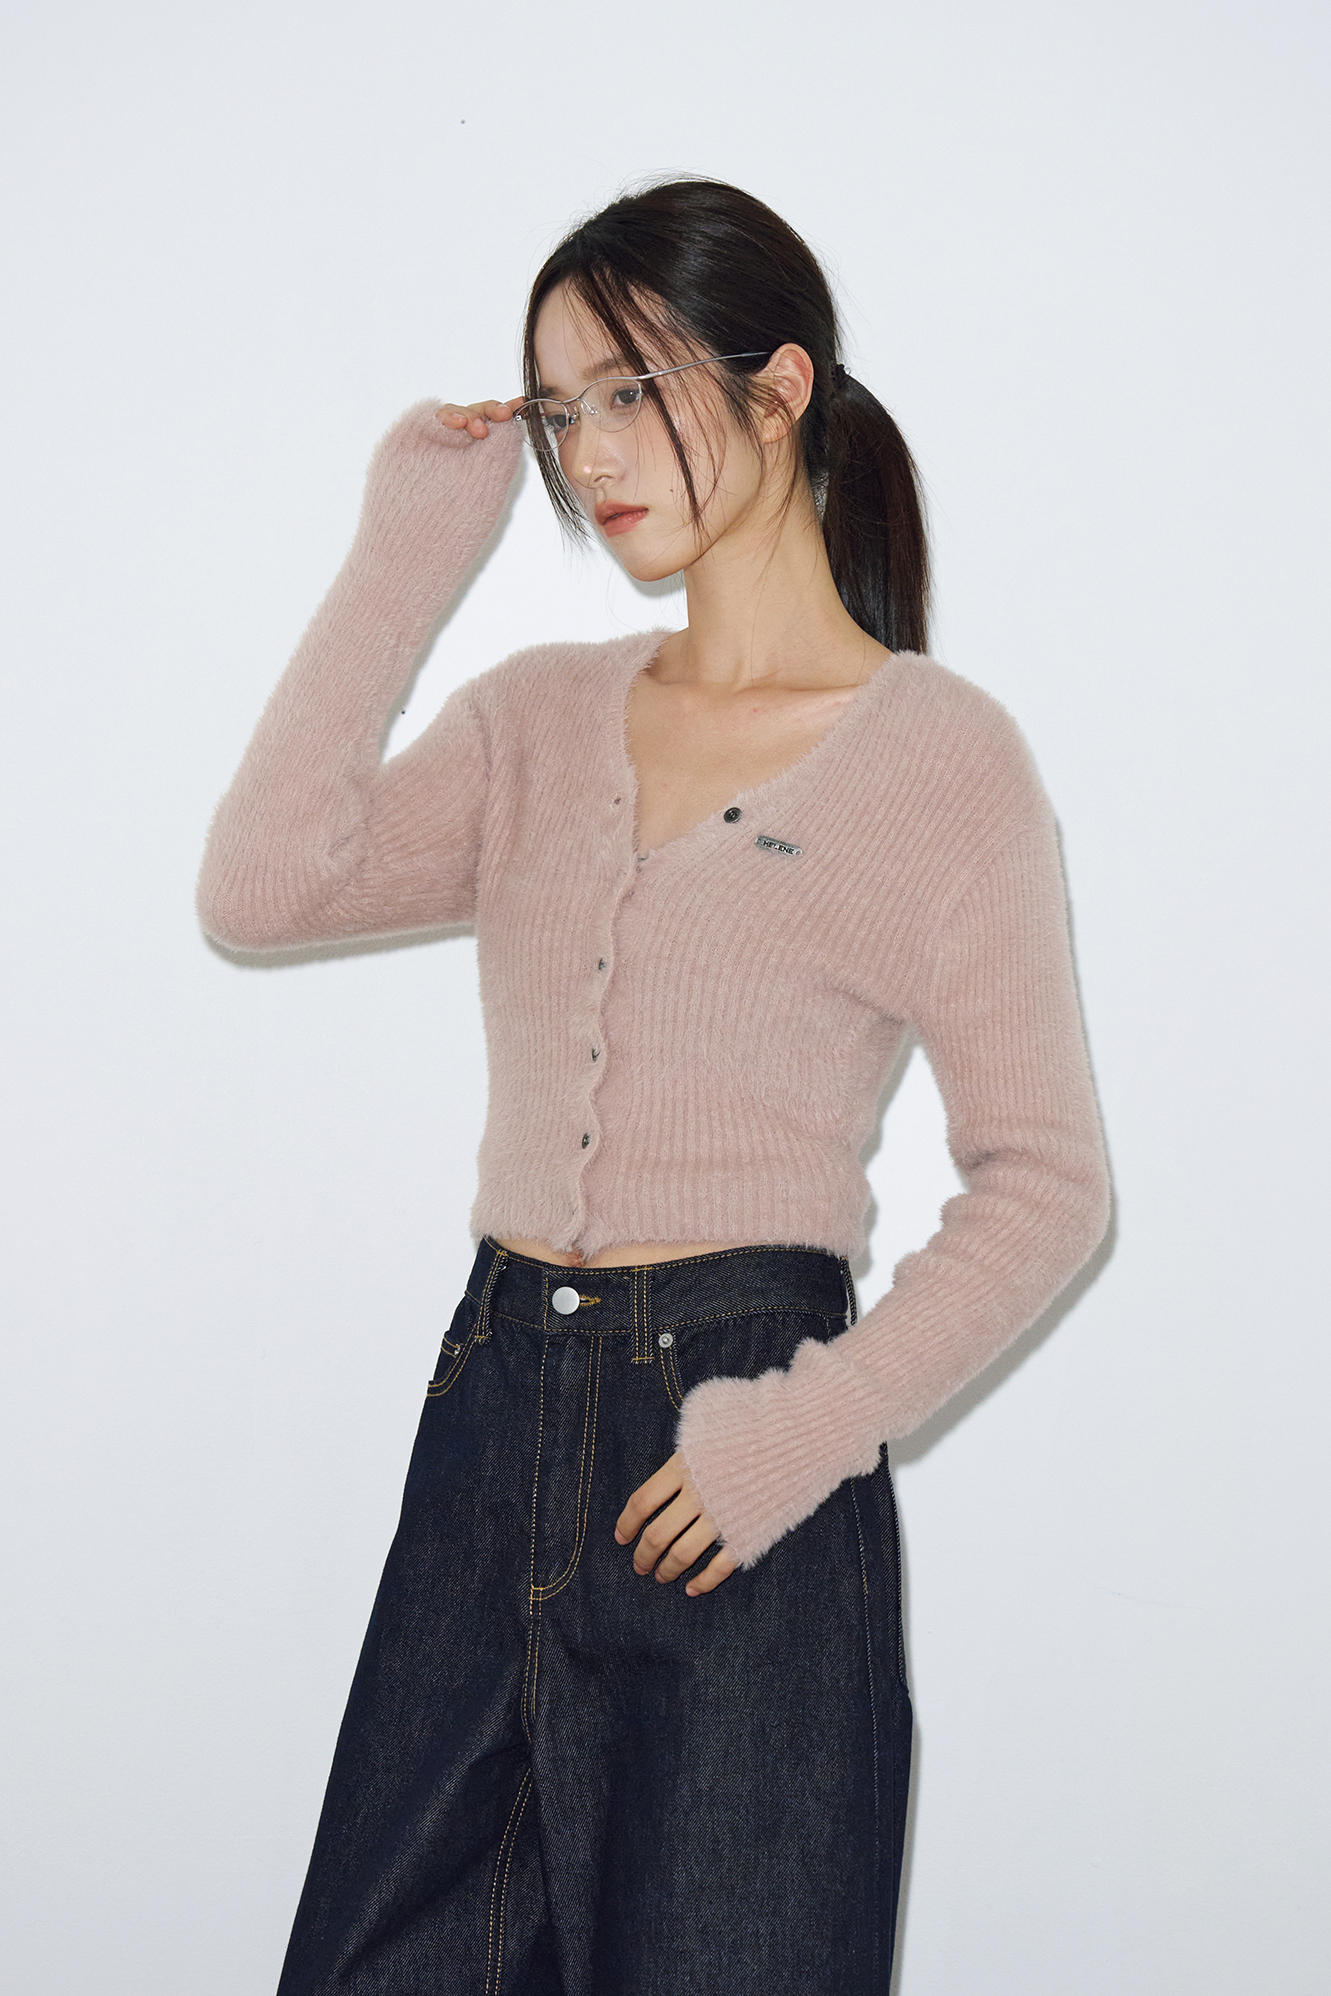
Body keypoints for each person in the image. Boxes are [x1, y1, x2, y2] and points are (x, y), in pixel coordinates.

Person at [197, 177, 1110, 1996]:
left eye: (629, 389)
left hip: (736, 1459)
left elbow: (1047, 1181)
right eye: (559, 412)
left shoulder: (943, 761)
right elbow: (264, 887)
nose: (589, 453)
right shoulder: (537, 718)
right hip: (489, 1423)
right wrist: (405, 555)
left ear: (779, 389)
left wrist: (807, 1428)